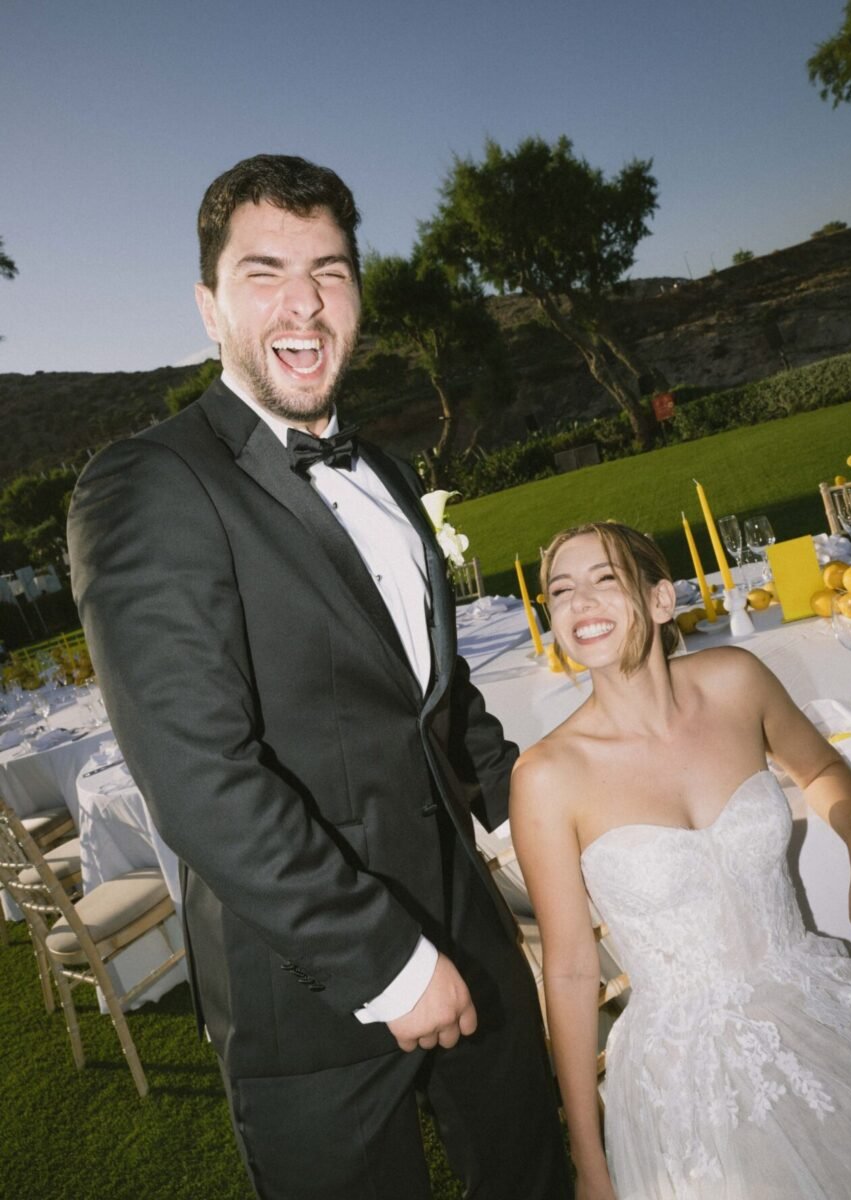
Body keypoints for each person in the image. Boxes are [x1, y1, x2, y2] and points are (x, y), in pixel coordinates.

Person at [67, 154, 571, 1200]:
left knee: (530, 1172)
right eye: (265, 272)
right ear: (209, 307)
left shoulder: (383, 468)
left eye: (330, 271)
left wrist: (546, 821)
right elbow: (199, 775)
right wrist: (387, 963)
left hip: (469, 930)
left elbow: (436, 703)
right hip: (306, 996)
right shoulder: (150, 482)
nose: (303, 301)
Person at [510, 521, 851, 1200]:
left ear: (662, 600)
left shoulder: (736, 680)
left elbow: (822, 768)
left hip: (810, 999)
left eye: (605, 579)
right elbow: (571, 970)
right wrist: (588, 1153)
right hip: (687, 1075)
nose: (579, 605)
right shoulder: (547, 776)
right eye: (560, 591)